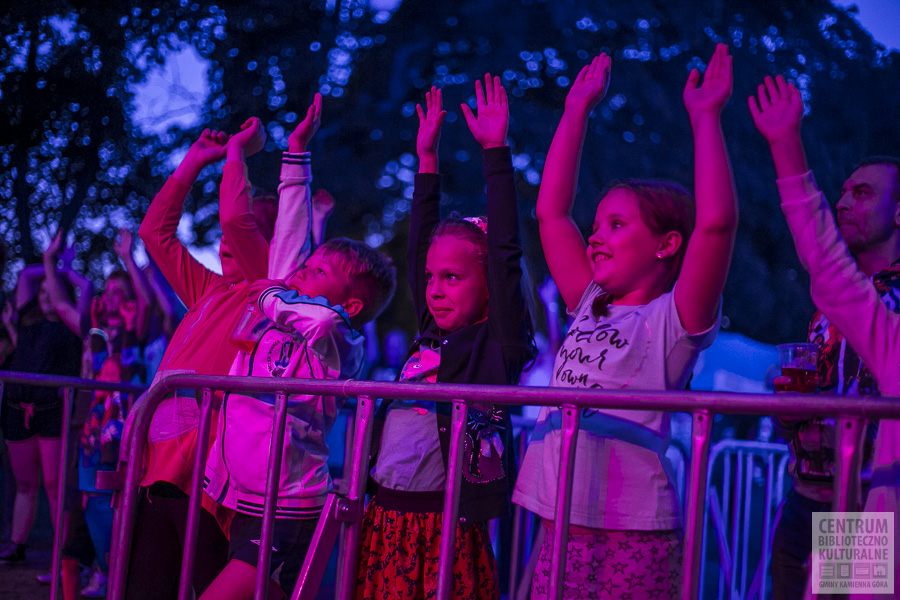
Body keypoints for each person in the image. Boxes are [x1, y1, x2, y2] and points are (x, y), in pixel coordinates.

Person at [512, 45, 738, 599]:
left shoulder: (673, 320)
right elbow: (551, 214)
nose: (595, 236)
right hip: (561, 519)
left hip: (631, 532)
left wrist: (706, 118)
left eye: (616, 225)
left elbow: (716, 225)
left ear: (667, 244)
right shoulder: (589, 300)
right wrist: (575, 111)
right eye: (597, 226)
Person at [129, 97, 320, 599]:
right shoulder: (209, 291)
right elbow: (154, 233)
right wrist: (195, 160)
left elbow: (236, 218)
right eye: (227, 236)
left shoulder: (269, 293)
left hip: (210, 489)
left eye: (255, 232)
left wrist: (237, 152)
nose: (230, 239)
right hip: (156, 477)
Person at [356, 78, 536, 600]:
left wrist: (495, 153)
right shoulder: (430, 337)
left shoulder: (497, 346)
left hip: (443, 529)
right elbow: (419, 252)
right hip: (384, 518)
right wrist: (427, 159)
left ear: (490, 285)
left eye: (452, 278)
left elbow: (505, 255)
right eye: (432, 279)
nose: (434, 289)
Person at [748, 73, 900, 598]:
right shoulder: (828, 308)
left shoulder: (889, 305)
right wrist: (791, 406)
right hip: (806, 496)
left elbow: (826, 262)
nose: (844, 204)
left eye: (862, 193)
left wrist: (786, 144)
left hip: (860, 507)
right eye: (842, 193)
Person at [201, 239, 395, 599]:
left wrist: (269, 297)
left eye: (319, 271)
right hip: (244, 500)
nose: (303, 271)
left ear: (350, 306)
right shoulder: (278, 325)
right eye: (306, 265)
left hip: (287, 508)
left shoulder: (343, 343)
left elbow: (323, 319)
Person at [0, 235, 88, 563]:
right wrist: (55, 266)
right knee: (24, 483)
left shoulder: (73, 325)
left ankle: (61, 555)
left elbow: (80, 292)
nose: (46, 294)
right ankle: (17, 545)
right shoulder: (26, 321)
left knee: (54, 485)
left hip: (52, 411)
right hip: (17, 408)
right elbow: (26, 276)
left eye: (52, 290)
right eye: (42, 292)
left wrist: (61, 270)